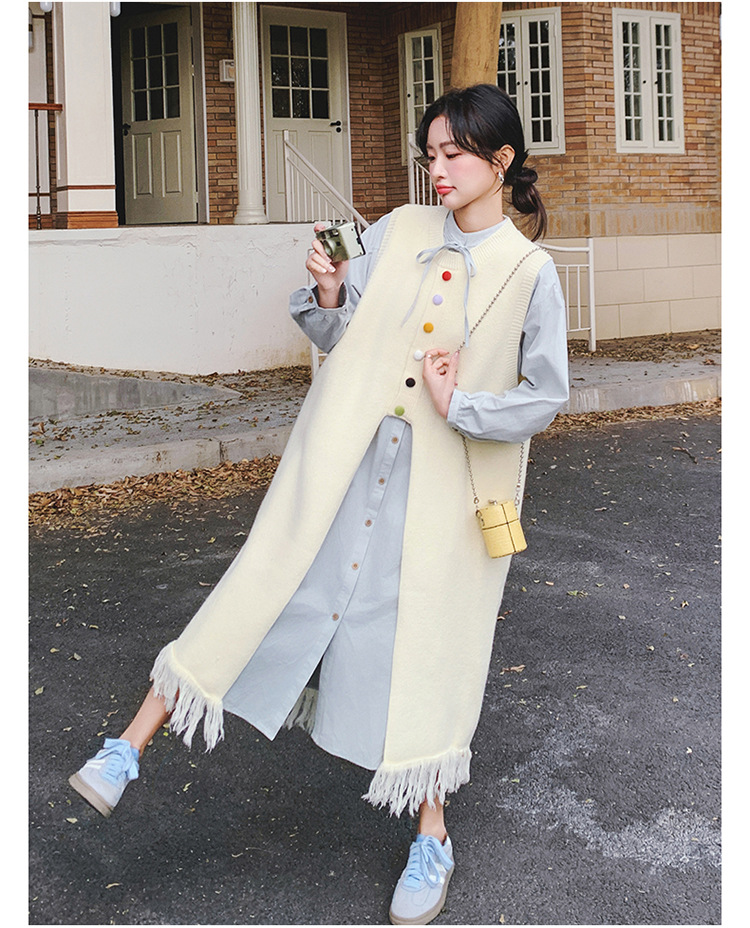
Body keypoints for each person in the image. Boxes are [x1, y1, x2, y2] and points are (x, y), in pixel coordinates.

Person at [68, 84, 569, 925]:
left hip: (442, 494)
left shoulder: (530, 272)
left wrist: (462, 406)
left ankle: (432, 835)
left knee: (426, 644)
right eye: (430, 154)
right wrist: (332, 288)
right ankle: (127, 746)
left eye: (454, 154)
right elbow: (337, 335)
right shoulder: (398, 231)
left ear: (502, 160)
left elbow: (545, 395)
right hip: (343, 462)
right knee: (269, 580)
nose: (438, 169)